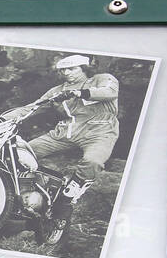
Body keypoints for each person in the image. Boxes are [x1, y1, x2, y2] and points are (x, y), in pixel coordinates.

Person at [21, 54, 120, 232]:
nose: (66, 73)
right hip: (65, 132)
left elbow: (110, 92)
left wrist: (81, 93)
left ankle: (66, 199)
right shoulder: (57, 91)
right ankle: (22, 193)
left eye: (72, 68)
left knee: (93, 161)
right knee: (21, 151)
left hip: (100, 131)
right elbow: (31, 108)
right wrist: (0, 119)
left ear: (85, 68)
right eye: (63, 70)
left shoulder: (101, 79)